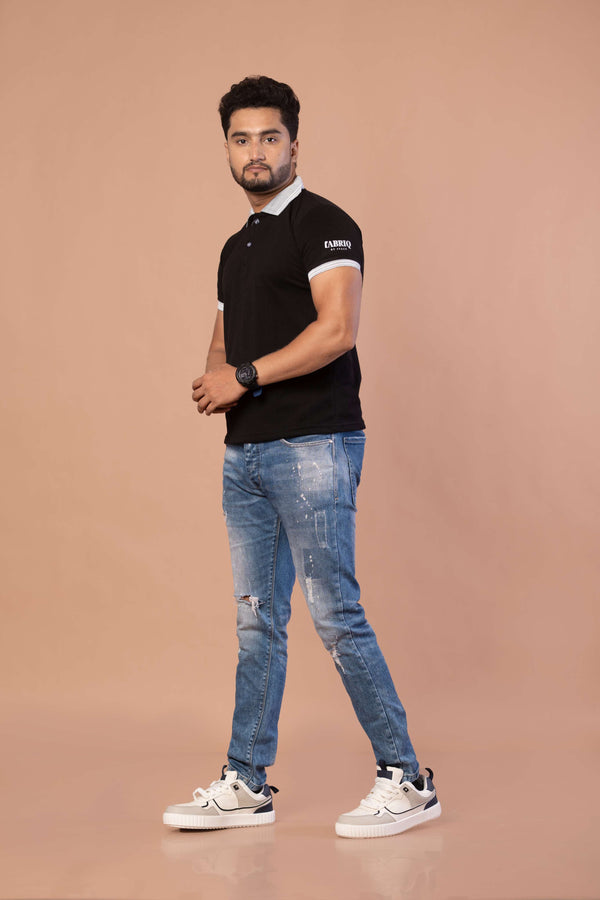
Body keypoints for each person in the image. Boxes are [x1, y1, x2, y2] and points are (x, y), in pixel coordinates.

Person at [163, 76, 440, 839]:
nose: (256, 152)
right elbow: (224, 331)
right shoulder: (237, 244)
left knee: (335, 613)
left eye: (269, 137)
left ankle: (406, 779)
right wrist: (219, 372)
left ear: (294, 143)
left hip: (314, 444)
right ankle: (246, 781)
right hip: (246, 453)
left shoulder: (325, 224)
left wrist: (243, 377)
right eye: (241, 139)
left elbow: (336, 331)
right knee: (257, 622)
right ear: (227, 148)